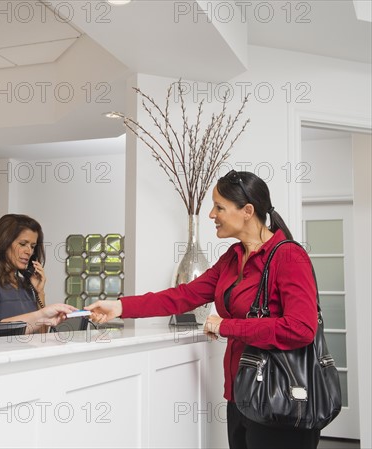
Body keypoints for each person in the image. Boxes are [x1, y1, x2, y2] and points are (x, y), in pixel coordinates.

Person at [86, 170, 320, 449]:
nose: (212, 214)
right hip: (240, 397)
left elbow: (301, 329)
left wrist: (226, 326)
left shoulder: (289, 256)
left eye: (219, 207)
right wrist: (120, 306)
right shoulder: (232, 258)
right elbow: (184, 295)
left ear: (247, 211)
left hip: (281, 401)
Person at [0, 214, 76, 333]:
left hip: (30, 351)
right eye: (23, 244)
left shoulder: (26, 285)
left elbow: (42, 334)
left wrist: (40, 292)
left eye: (32, 246)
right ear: (4, 243)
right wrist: (41, 315)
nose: (29, 251)